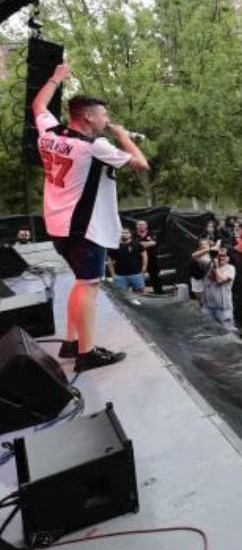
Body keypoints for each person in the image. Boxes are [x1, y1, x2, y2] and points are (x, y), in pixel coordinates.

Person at [31, 61, 148, 371]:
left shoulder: (49, 132)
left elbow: (39, 104)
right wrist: (123, 136)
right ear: (87, 117)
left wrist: (56, 78)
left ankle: (71, 342)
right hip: (84, 228)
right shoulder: (94, 145)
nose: (107, 120)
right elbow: (141, 164)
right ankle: (87, 353)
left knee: (81, 283)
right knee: (89, 286)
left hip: (57, 225)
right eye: (103, 115)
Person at [201, 248, 236, 330]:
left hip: (223, 309)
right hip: (208, 307)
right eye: (219, 256)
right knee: (209, 332)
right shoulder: (210, 266)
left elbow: (220, 280)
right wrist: (209, 250)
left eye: (224, 256)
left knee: (227, 333)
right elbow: (195, 257)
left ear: (228, 258)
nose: (221, 258)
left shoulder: (231, 268)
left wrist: (216, 266)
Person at [107, 227, 147, 293]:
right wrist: (113, 274)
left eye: (126, 233)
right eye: (122, 233)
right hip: (120, 276)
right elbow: (109, 260)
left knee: (140, 295)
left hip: (136, 274)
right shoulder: (115, 246)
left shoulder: (137, 244)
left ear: (130, 234)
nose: (124, 234)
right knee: (121, 296)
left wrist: (144, 268)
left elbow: (144, 255)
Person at [133, 219, 163, 294]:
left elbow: (153, 243)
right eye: (139, 225)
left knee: (155, 276)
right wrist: (146, 244)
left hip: (152, 259)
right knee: (137, 277)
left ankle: (159, 293)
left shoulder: (151, 233)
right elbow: (131, 244)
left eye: (143, 225)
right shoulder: (133, 235)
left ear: (146, 226)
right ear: (136, 226)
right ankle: (137, 293)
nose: (141, 226)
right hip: (137, 260)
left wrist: (138, 244)